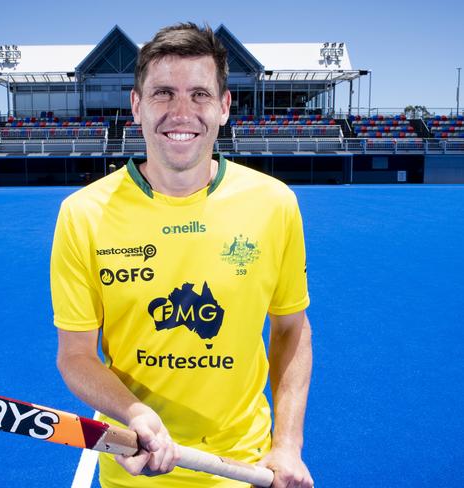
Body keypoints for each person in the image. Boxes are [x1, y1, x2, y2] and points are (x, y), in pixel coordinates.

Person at [51, 23, 313, 488]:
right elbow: (75, 356)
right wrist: (134, 412)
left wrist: (287, 444)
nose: (181, 112)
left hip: (244, 468)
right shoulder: (83, 215)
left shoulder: (275, 204)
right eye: (163, 93)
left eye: (199, 95)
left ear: (224, 107)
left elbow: (291, 326)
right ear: (136, 105)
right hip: (134, 466)